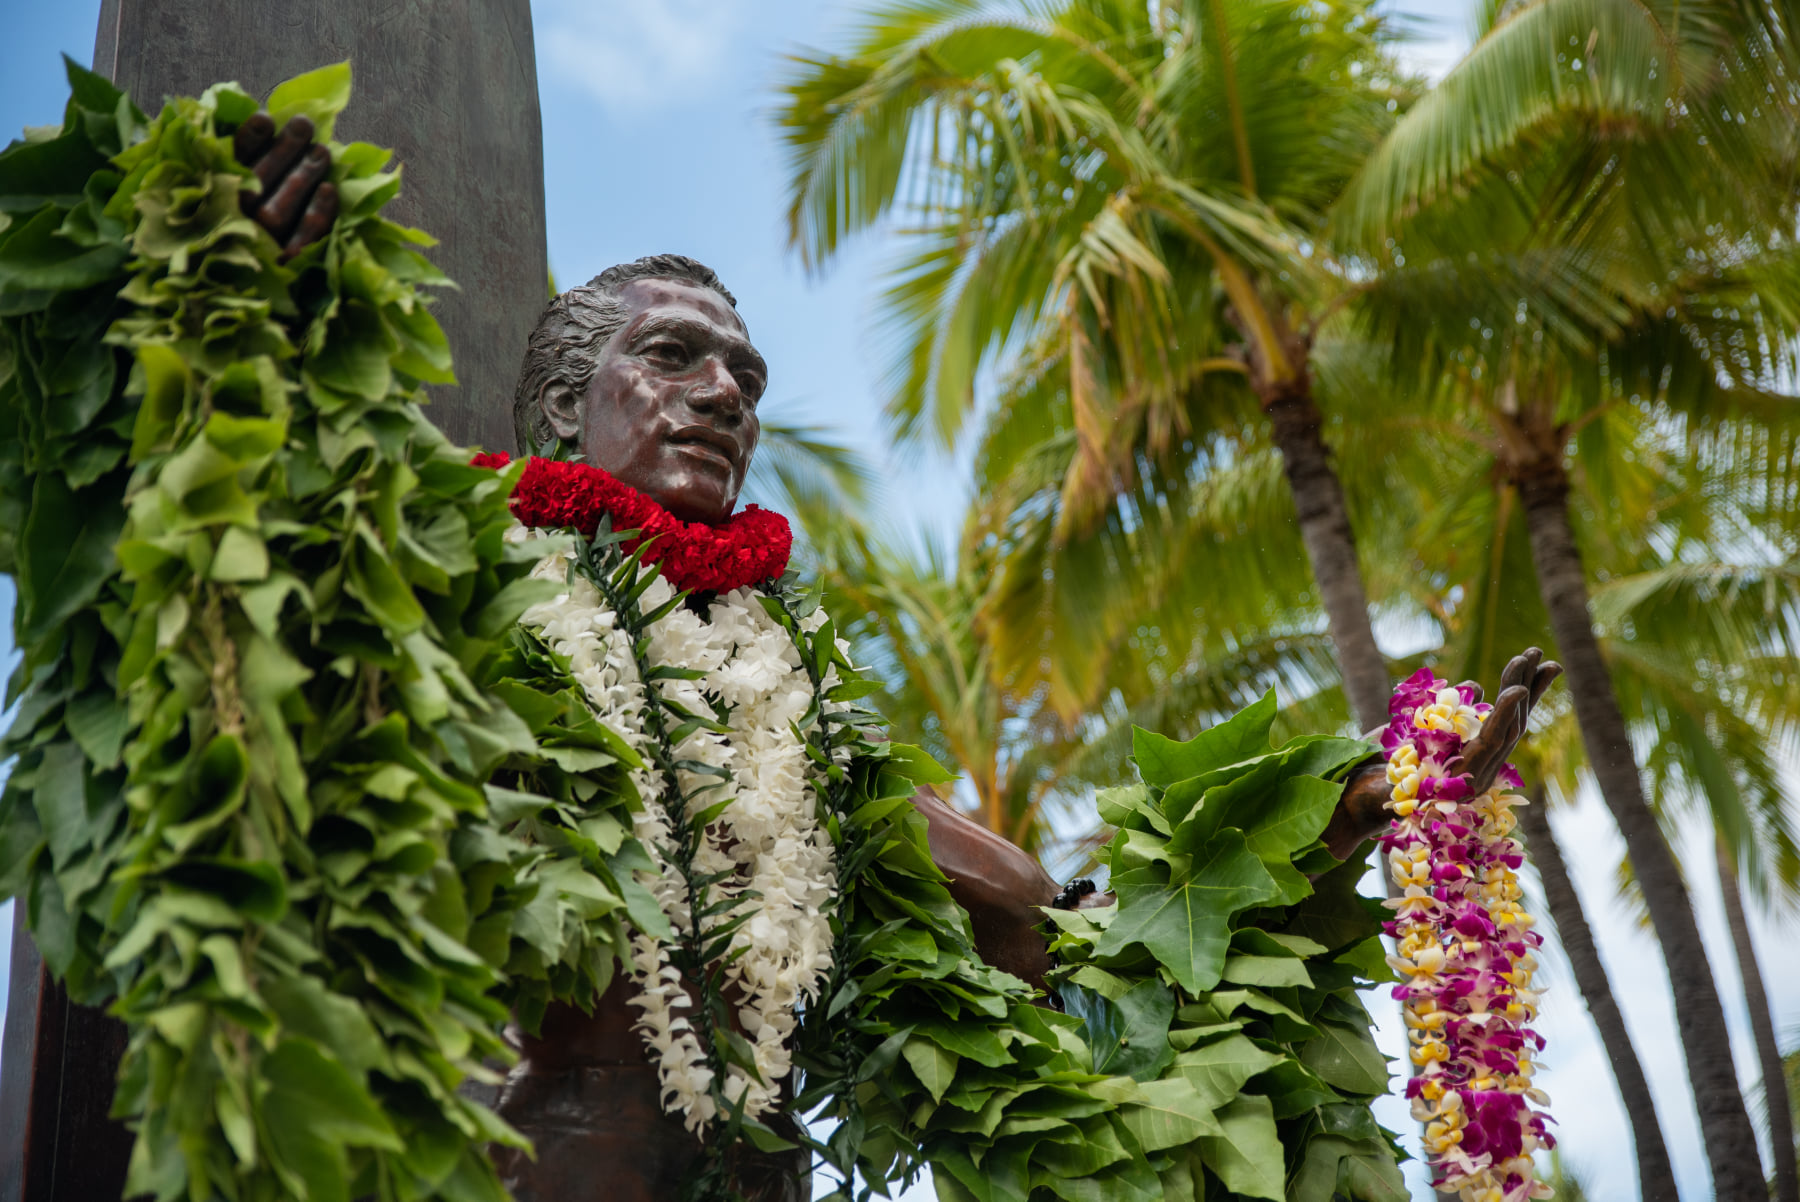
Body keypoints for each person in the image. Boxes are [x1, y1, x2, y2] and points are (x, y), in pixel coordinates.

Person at [239, 123, 1560, 1202]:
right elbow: (280, 582)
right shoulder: (471, 588)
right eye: (673, 355)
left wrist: (1338, 813)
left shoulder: (783, 698)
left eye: (746, 376)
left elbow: (1045, 933)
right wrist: (272, 308)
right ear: (565, 405)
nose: (723, 394)